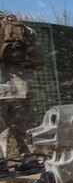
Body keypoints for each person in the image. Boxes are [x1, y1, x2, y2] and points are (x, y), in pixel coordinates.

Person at [0, 13, 45, 159]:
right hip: (22, 87)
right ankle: (32, 161)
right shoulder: (25, 29)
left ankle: (1, 166)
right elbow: (38, 60)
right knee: (27, 129)